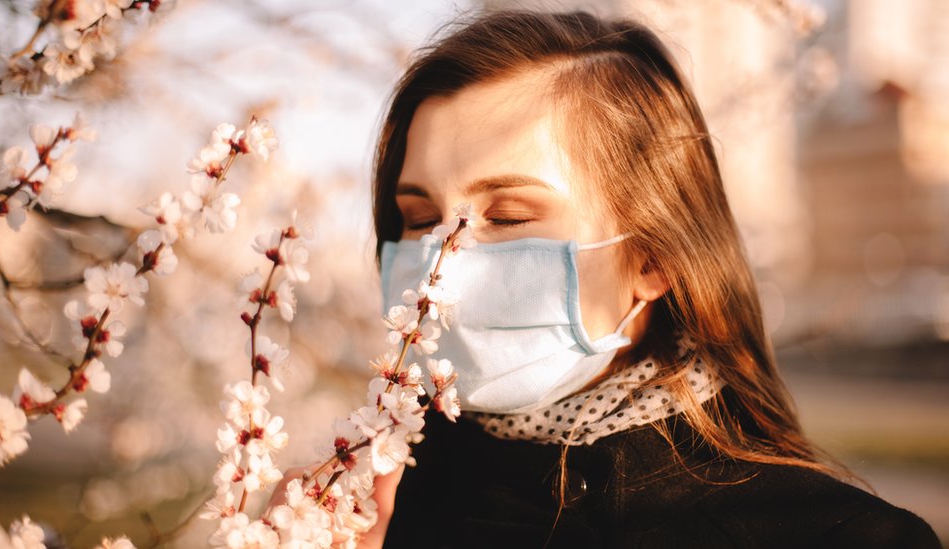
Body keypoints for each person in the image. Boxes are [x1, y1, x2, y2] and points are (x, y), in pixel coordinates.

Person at [277, 9, 941, 548]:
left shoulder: (832, 536)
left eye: (507, 215)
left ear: (652, 255)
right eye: (418, 218)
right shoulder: (379, 506)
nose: (440, 266)